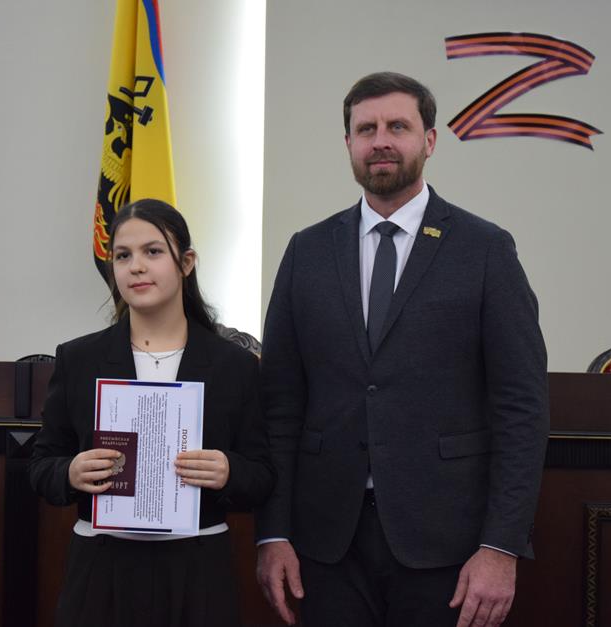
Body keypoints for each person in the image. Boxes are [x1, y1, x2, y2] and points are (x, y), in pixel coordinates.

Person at [255, 72, 549, 627]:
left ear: (429, 140)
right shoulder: (307, 252)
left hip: (447, 546)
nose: (380, 141)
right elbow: (280, 405)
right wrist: (273, 533)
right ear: (348, 143)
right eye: (366, 129)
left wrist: (501, 546)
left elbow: (522, 409)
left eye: (398, 126)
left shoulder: (485, 250)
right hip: (325, 544)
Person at [29, 199, 274, 627]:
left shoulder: (234, 366)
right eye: (123, 256)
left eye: (153, 251)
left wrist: (229, 471)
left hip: (198, 567)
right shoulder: (79, 359)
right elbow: (41, 465)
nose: (136, 267)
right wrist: (70, 472)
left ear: (186, 263)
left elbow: (263, 474)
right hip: (101, 566)